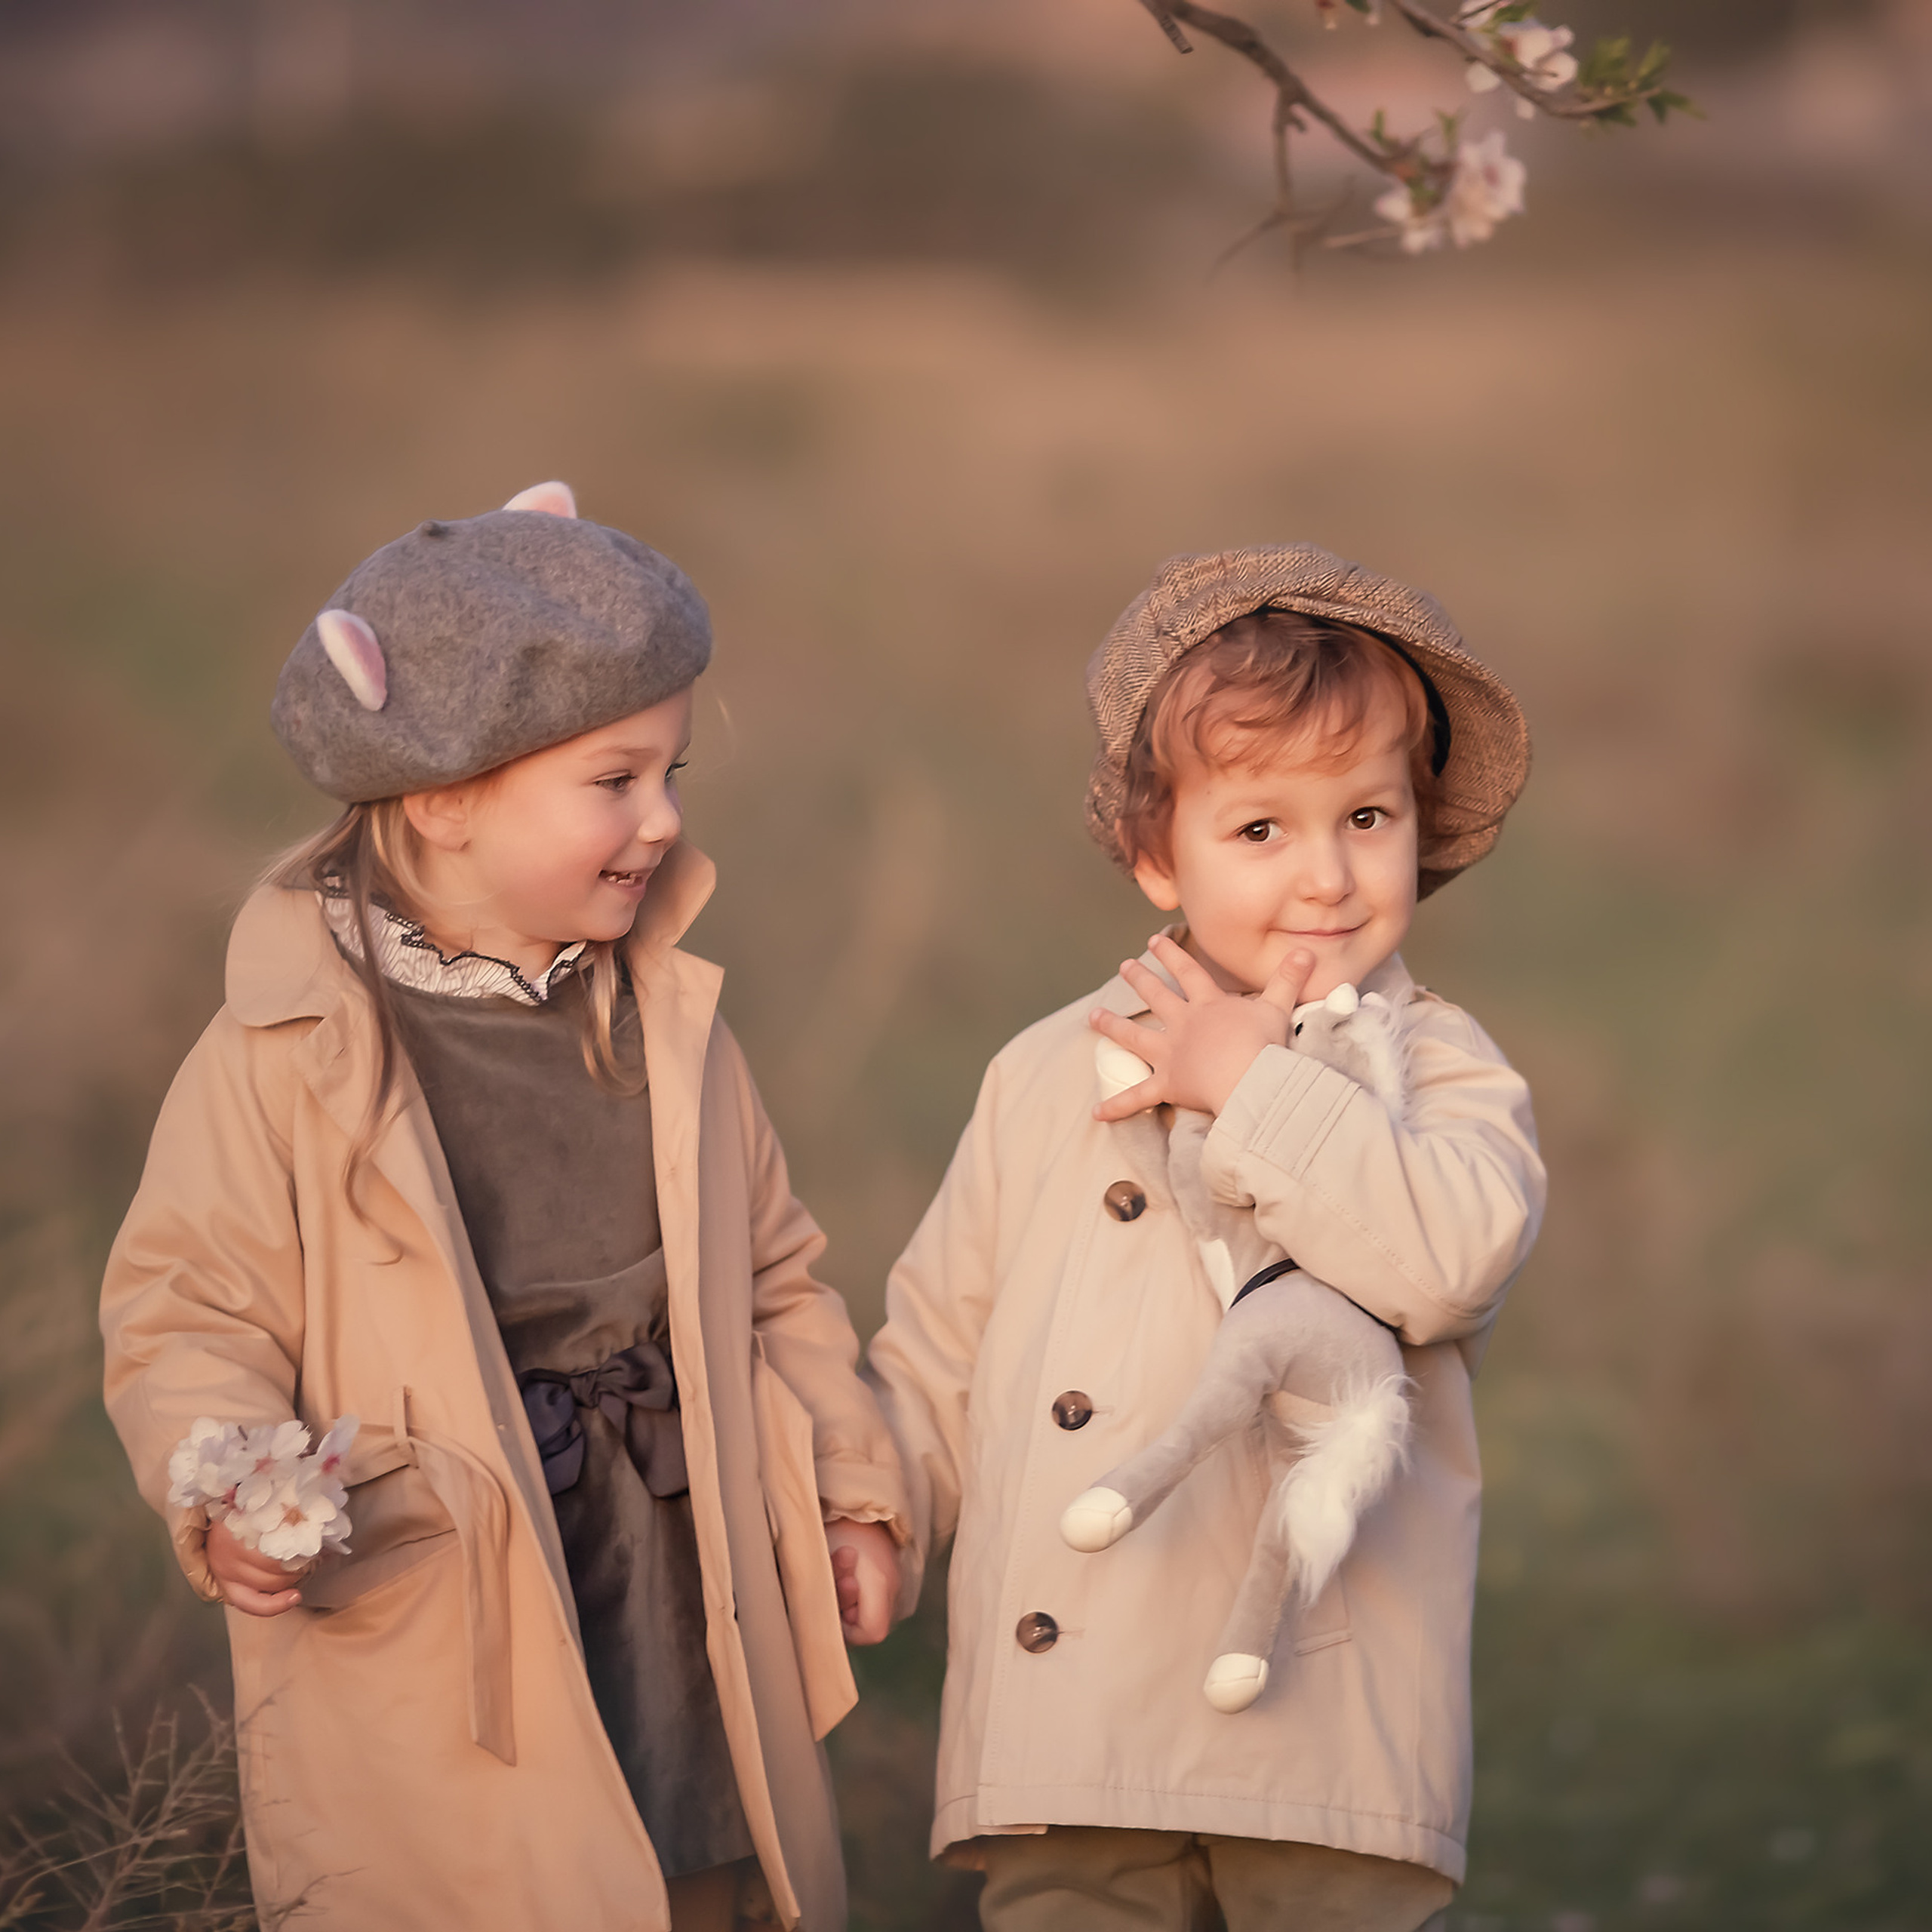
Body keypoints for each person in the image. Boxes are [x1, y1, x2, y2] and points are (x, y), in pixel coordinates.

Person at [100, 485, 907, 1932]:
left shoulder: (666, 1018)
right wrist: (226, 1487)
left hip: (675, 1566)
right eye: (616, 780)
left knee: (694, 1871)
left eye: (670, 774)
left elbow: (777, 1278)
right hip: (443, 1596)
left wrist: (850, 1486)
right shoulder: (287, 1054)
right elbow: (186, 1306)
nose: (663, 820)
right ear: (446, 796)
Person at [865, 544, 1547, 1931]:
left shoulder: (1442, 1068)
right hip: (1070, 1719)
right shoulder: (1050, 1071)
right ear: (1152, 853)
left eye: (1367, 816)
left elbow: (1451, 1258)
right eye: (1260, 831)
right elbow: (942, 1337)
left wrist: (1256, 1085)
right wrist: (877, 1507)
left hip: (1321, 1713)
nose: (1329, 876)